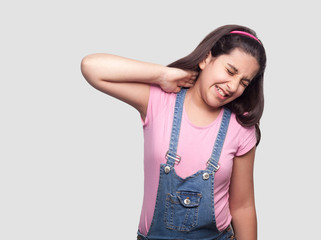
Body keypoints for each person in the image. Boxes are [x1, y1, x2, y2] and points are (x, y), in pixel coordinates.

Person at [81, 24, 266, 240]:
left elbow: (243, 206)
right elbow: (92, 67)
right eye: (230, 71)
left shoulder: (240, 128)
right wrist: (162, 74)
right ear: (206, 59)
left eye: (244, 82)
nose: (233, 86)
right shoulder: (158, 102)